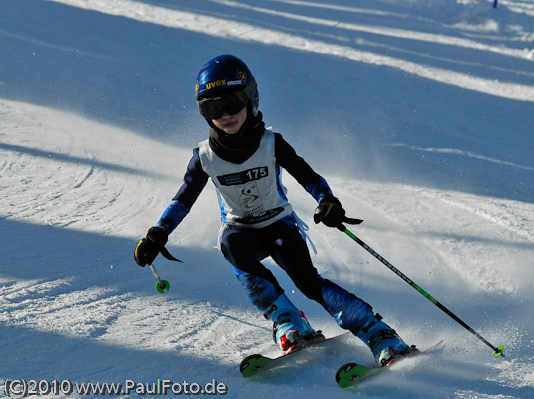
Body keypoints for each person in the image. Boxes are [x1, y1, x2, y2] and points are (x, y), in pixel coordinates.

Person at [134, 54, 415, 366]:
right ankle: (289, 322)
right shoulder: (205, 156)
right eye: (213, 108)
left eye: (232, 104)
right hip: (241, 230)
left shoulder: (271, 143)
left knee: (308, 282)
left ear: (250, 99)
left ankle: (379, 333)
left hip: (278, 225)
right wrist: (158, 233)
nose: (225, 115)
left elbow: (308, 176)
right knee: (231, 244)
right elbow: (183, 198)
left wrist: (327, 200)